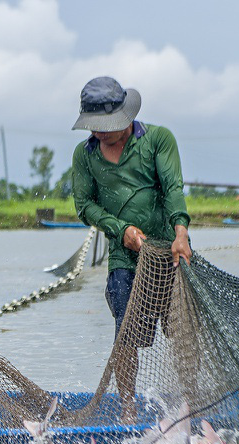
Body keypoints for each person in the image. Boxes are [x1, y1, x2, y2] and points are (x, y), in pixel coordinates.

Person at [71, 77, 192, 419]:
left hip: (169, 250)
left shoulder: (157, 139)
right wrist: (120, 230)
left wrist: (180, 232)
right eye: (95, 128)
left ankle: (190, 405)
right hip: (124, 258)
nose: (101, 134)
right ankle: (128, 410)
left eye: (107, 126)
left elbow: (173, 189)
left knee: (182, 331)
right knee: (124, 335)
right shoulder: (85, 155)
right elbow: (85, 206)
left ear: (126, 115)